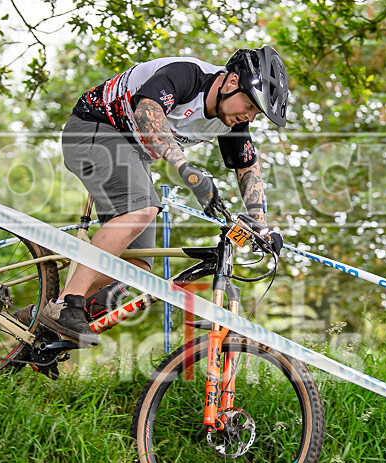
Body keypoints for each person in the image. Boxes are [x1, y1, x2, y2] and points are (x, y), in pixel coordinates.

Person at [37, 46, 289, 344]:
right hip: (93, 128)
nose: (248, 116)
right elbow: (148, 111)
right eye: (249, 106)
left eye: (255, 112)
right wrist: (187, 170)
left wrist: (260, 224)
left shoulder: (232, 118)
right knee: (142, 209)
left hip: (130, 153)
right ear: (232, 82)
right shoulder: (189, 75)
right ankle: (67, 304)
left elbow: (247, 167)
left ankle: (36, 318)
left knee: (134, 269)